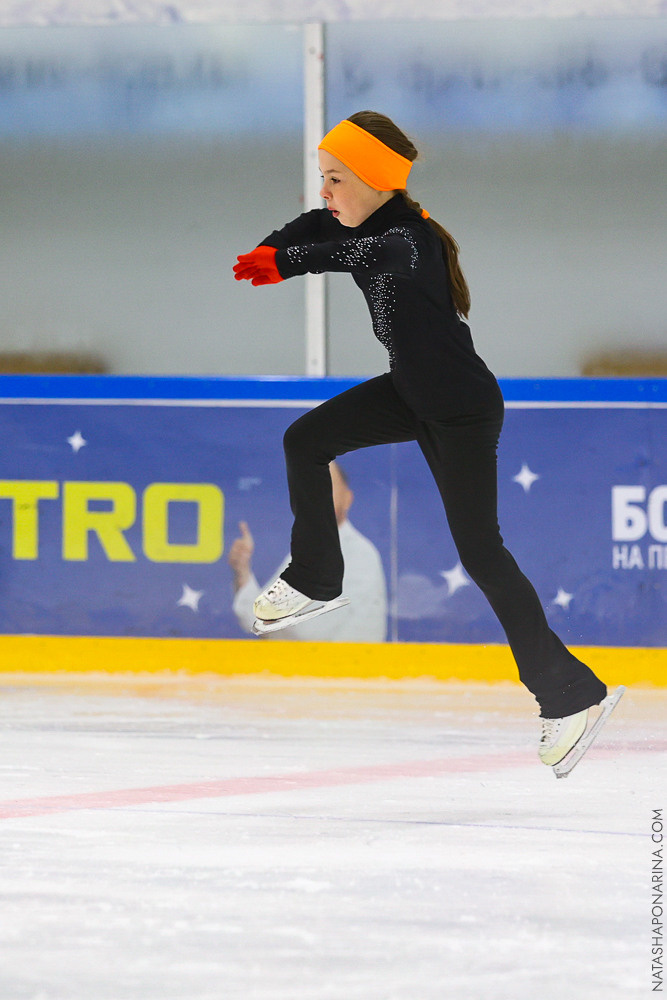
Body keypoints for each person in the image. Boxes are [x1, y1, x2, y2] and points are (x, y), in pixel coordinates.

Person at [233, 109, 616, 769]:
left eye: (336, 179)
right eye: (322, 178)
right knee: (305, 440)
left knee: (482, 556)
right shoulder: (362, 217)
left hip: (461, 410)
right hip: (411, 395)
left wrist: (288, 263)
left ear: (378, 180)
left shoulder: (409, 239)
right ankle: (317, 576)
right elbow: (314, 225)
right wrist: (274, 247)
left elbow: (348, 251)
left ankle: (569, 695)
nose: (325, 192)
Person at [228, 462, 387, 641]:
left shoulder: (359, 554)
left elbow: (309, 630)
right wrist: (242, 570)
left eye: (327, 485)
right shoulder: (309, 550)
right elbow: (260, 622)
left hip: (342, 667)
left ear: (348, 499)